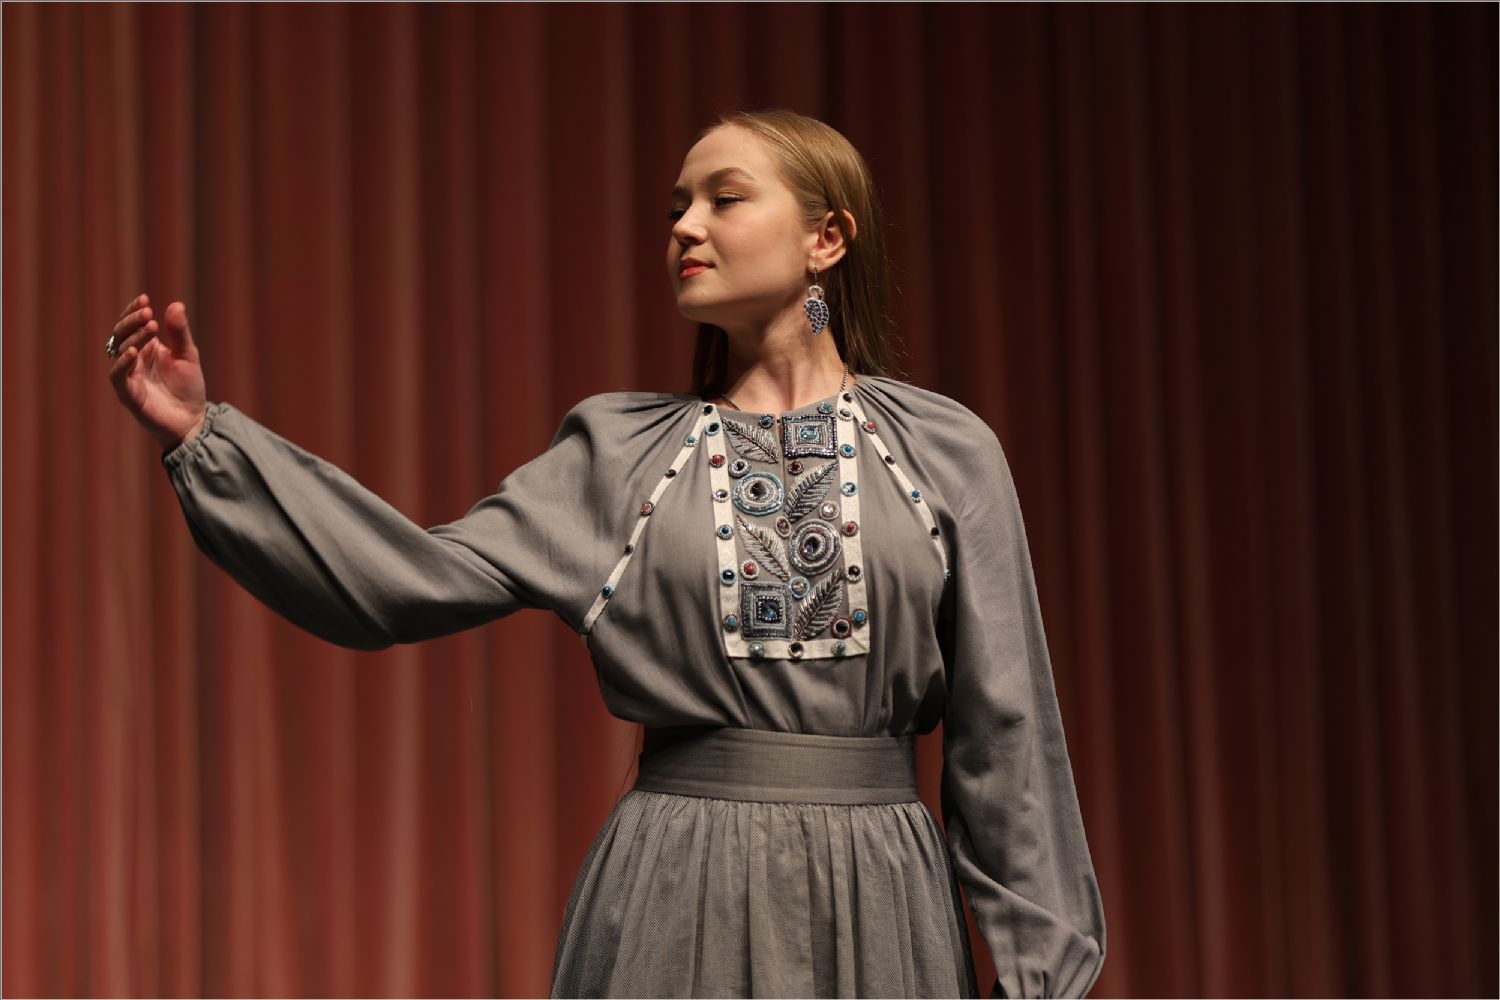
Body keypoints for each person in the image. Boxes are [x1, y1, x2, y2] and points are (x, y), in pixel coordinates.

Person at [105, 109, 1106, 999]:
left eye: (723, 199)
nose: (685, 227)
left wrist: (1038, 979)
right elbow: (402, 576)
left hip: (881, 903)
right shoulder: (621, 456)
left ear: (826, 239)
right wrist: (206, 439)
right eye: (677, 207)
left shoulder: (941, 452)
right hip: (679, 892)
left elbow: (1007, 741)